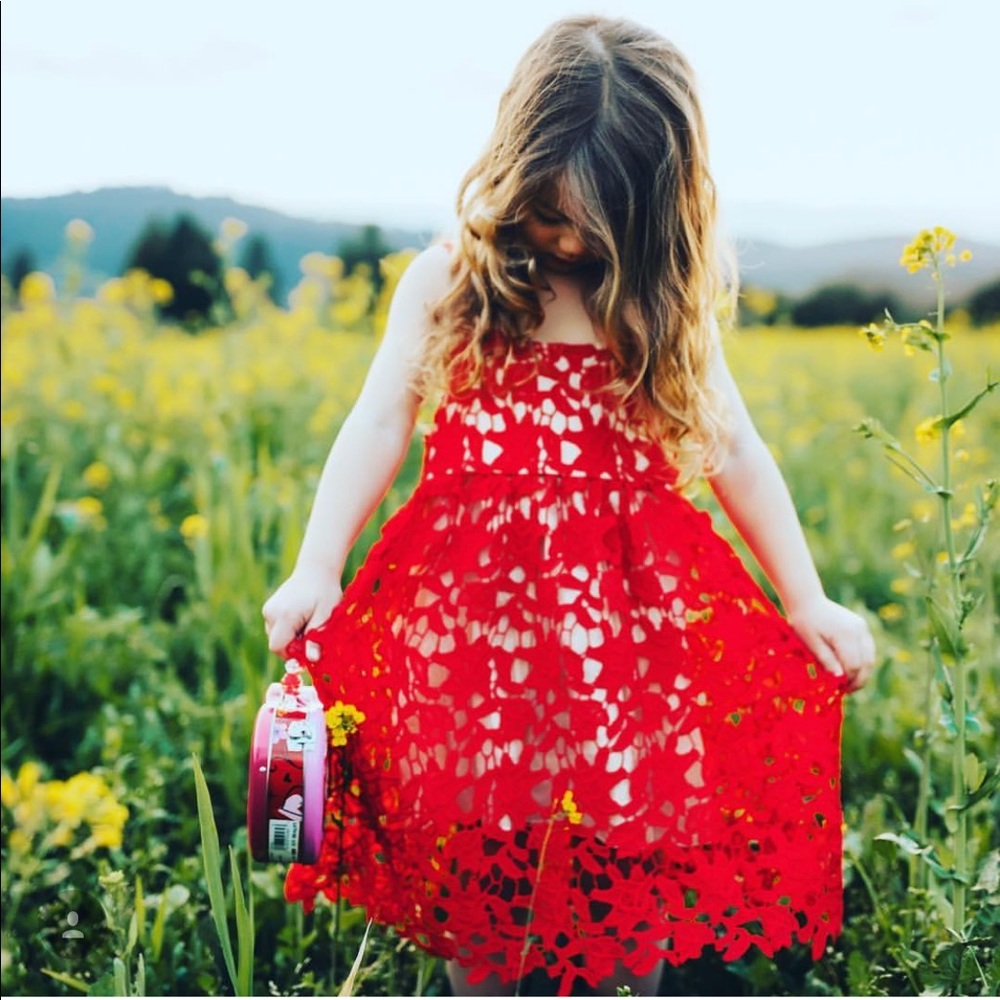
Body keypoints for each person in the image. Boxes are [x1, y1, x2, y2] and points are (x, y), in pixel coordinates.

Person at [262, 15, 876, 996]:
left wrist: (803, 600)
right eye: (551, 209)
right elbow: (377, 423)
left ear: (655, 203)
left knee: (629, 850)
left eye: (599, 218)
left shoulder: (659, 300)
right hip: (479, 643)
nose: (571, 237)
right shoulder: (449, 283)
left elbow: (737, 452)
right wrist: (317, 564)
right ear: (514, 163)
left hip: (623, 640)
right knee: (484, 857)